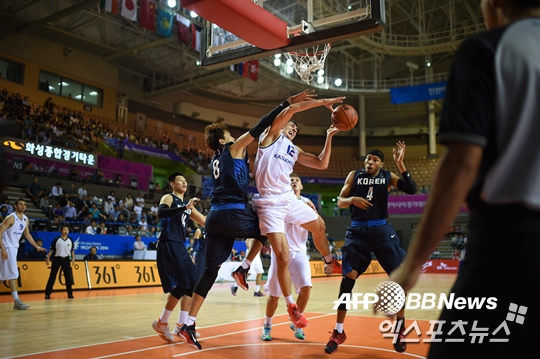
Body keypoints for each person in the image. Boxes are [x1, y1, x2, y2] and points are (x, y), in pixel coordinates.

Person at [385, 1, 540, 358]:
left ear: (493, 5)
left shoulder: (489, 48)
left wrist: (411, 267)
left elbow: (461, 165)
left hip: (512, 250)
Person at [177, 90, 316, 350]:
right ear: (223, 139)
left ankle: (189, 323)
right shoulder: (233, 148)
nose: (233, 136)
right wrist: (287, 103)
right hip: (233, 212)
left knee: (209, 272)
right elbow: (261, 124)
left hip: (215, 216)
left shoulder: (214, 160)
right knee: (269, 228)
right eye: (229, 134)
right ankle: (244, 268)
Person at [252, 95, 345, 329]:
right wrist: (324, 102)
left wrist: (329, 137)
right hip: (270, 202)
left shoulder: (293, 149)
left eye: (295, 128)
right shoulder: (269, 136)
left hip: (287, 199)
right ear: (280, 125)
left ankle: (329, 260)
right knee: (281, 257)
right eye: (290, 125)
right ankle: (291, 307)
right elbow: (291, 109)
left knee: (320, 226)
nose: (293, 128)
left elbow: (321, 164)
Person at [325, 144, 416, 354]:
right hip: (357, 233)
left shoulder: (387, 176)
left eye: (375, 160)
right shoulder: (353, 175)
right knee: (347, 282)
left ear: (380, 164)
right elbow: (340, 201)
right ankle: (338, 331)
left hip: (381, 230)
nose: (370, 162)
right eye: (368, 159)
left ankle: (400, 328)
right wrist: (352, 200)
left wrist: (401, 165)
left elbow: (411, 189)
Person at [260, 173, 316, 341]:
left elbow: (315, 225)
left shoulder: (307, 203)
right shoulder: (279, 201)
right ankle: (267, 326)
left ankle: (297, 320)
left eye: (296, 180)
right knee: (275, 295)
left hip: (299, 252)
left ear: (301, 186)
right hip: (280, 252)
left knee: (306, 288)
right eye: (290, 180)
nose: (293, 182)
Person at [151, 172, 205, 344]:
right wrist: (185, 208)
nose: (184, 182)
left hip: (180, 246)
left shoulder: (188, 206)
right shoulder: (169, 197)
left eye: (185, 180)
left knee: (193, 282)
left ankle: (181, 324)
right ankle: (162, 322)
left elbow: (206, 222)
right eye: (179, 180)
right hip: (168, 243)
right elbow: (161, 212)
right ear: (172, 184)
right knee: (182, 284)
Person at [0, 199, 46, 309]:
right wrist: (2, 248)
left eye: (24, 204)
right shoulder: (10, 218)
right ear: (15, 206)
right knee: (13, 274)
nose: (23, 206)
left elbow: (27, 234)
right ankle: (16, 301)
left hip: (13, 248)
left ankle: (16, 301)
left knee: (2, 276)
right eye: (20, 204)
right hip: (7, 247)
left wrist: (36, 246)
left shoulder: (26, 219)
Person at [45, 225, 75, 299]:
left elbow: (72, 251)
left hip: (66, 259)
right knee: (52, 276)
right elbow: (51, 250)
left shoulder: (70, 240)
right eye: (64, 229)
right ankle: (47, 293)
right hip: (57, 259)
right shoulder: (57, 239)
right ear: (61, 231)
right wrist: (48, 258)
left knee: (68, 277)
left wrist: (73, 259)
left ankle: (70, 293)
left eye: (67, 230)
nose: (66, 231)